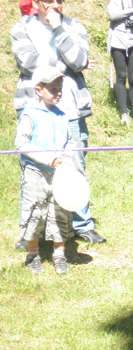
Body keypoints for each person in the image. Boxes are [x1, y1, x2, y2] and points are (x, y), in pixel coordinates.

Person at [11, 0, 106, 246]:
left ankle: (81, 224)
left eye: (59, 1)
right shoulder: (22, 27)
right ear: (36, 3)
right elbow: (27, 63)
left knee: (74, 164)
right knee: (32, 169)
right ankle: (30, 231)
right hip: (33, 106)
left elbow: (78, 59)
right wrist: (68, 65)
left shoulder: (73, 27)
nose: (55, 6)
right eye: (49, 1)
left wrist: (58, 29)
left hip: (70, 108)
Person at [15, 67, 74, 275]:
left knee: (60, 211)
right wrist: (48, 159)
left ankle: (59, 254)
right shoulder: (30, 114)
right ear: (39, 90)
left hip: (59, 174)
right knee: (34, 211)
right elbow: (21, 143)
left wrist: (66, 156)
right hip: (35, 172)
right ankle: (32, 254)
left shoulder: (62, 116)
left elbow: (69, 141)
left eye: (60, 89)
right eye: (53, 89)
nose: (58, 93)